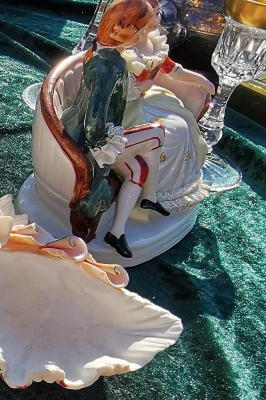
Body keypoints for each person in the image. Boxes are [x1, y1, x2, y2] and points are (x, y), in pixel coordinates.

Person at [63, 0, 214, 258]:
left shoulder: (113, 57)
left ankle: (117, 232)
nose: (144, 33)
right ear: (119, 29)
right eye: (139, 29)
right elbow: (94, 118)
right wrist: (106, 144)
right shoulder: (107, 65)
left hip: (112, 127)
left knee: (139, 169)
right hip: (93, 139)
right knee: (157, 133)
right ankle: (150, 197)